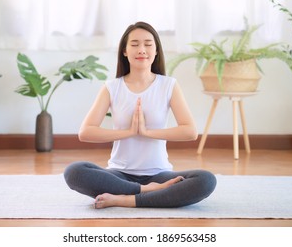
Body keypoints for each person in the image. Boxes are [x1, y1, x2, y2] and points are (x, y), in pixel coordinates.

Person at [64, 21, 216, 209]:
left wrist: (146, 132)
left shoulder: (169, 85)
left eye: (148, 44)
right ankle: (146, 192)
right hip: (119, 174)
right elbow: (86, 132)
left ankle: (125, 199)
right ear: (125, 51)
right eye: (134, 44)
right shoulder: (112, 88)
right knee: (74, 172)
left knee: (206, 180)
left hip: (159, 175)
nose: (142, 49)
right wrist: (128, 132)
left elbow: (190, 131)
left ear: (156, 51)